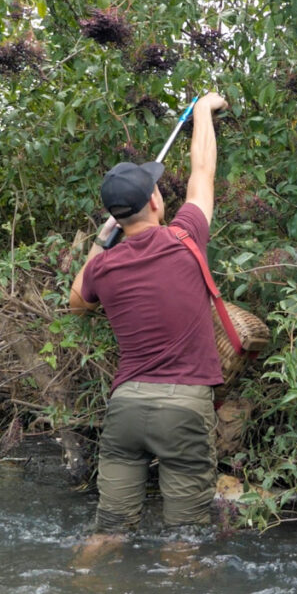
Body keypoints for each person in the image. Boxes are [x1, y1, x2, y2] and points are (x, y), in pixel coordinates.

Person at [69, 91, 228, 539]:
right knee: (184, 534)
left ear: (115, 217)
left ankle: (86, 585)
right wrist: (202, 110)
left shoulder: (102, 265)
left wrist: (102, 243)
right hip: (184, 407)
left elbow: (77, 302)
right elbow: (203, 172)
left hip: (127, 407)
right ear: (157, 202)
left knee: (110, 530)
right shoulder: (186, 237)